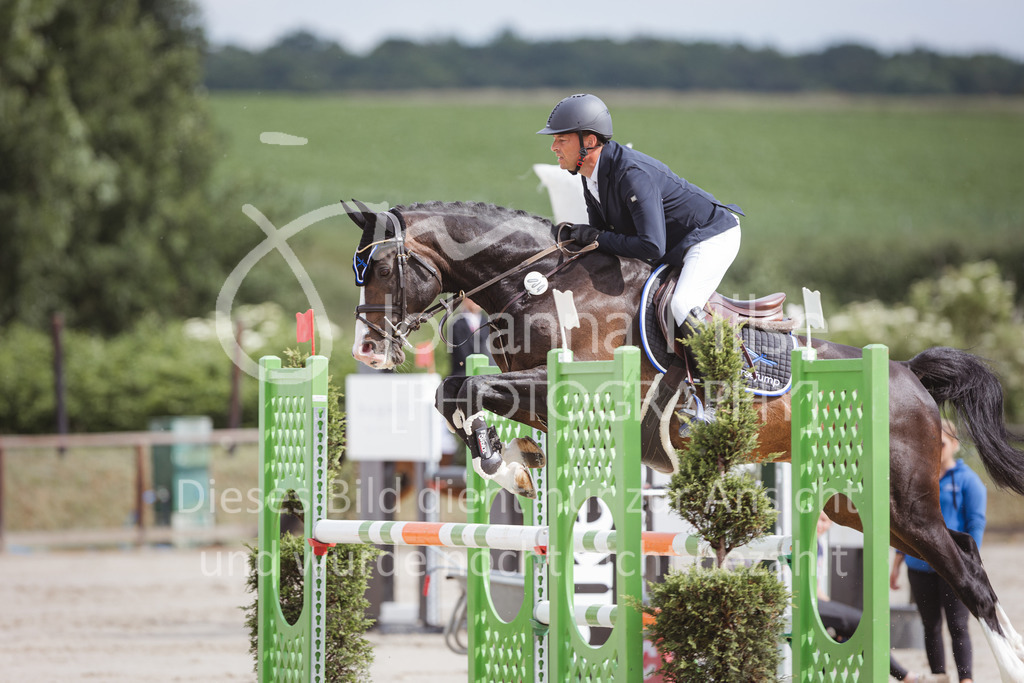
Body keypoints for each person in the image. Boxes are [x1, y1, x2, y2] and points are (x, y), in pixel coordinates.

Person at [537, 93, 744, 343]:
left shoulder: (631, 175)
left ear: (589, 141)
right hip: (676, 245)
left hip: (710, 237)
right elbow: (602, 240)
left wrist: (597, 238)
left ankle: (724, 362)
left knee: (682, 304)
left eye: (561, 139)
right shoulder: (590, 177)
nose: (554, 147)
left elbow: (651, 246)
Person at [890, 419, 986, 683]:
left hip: (954, 567)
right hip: (919, 566)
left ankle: (965, 679)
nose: (935, 449)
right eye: (929, 443)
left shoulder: (969, 482)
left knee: (958, 625)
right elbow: (907, 522)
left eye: (941, 444)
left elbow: (976, 524)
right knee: (930, 626)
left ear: (955, 445)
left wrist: (970, 562)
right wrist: (897, 562)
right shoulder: (918, 477)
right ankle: (939, 677)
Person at [816, 512, 946, 682]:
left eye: (825, 521)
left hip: (818, 604)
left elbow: (817, 589)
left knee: (846, 633)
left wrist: (837, 616)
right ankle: (905, 676)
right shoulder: (805, 545)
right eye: (818, 519)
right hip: (808, 604)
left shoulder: (819, 545)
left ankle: (902, 675)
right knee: (862, 623)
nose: (820, 525)